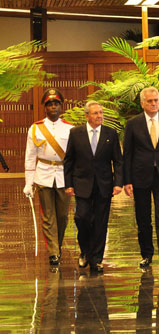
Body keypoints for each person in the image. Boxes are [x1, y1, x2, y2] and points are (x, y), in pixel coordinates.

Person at [64, 101, 123, 273]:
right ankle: (85, 251)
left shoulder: (110, 134)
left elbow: (118, 161)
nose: (99, 116)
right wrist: (68, 184)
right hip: (81, 184)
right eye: (96, 113)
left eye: (101, 113)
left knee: (100, 222)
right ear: (87, 116)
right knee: (81, 218)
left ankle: (96, 259)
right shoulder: (76, 133)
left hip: (104, 184)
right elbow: (69, 161)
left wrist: (118, 183)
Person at [123, 87, 159, 271]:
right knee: (143, 218)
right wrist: (127, 180)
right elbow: (128, 154)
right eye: (150, 101)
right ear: (142, 103)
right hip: (140, 177)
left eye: (156, 100)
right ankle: (147, 255)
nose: (154, 103)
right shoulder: (133, 124)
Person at [24, 88, 73, 266]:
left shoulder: (70, 128)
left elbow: (74, 157)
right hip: (43, 175)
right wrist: (28, 183)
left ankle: (57, 246)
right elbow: (30, 156)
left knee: (62, 216)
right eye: (49, 104)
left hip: (63, 177)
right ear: (45, 107)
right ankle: (53, 252)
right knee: (48, 216)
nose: (53, 107)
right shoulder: (36, 128)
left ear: (61, 106)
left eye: (56, 103)